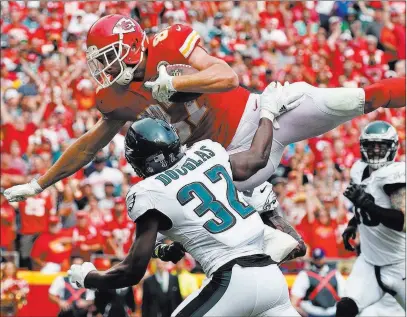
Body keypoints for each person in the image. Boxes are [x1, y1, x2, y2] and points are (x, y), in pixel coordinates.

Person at [4, 14, 405, 199]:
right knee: (182, 203)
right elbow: (89, 146)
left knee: (357, 98)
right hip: (229, 162)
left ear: (129, 46)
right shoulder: (116, 97)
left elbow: (226, 76)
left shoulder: (168, 42)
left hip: (264, 113)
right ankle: (269, 230)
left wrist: (172, 83)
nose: (102, 68)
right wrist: (41, 183)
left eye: (107, 56)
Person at [69, 117, 300, 316]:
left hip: (232, 279)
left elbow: (132, 271)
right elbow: (256, 159)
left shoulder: (149, 191)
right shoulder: (206, 153)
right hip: (271, 277)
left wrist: (89, 278)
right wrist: (268, 112)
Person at [336, 121, 406, 317]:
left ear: (392, 148)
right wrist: (352, 224)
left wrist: (368, 205)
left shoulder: (395, 175)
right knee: (345, 308)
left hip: (400, 263)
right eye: (370, 146)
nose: (375, 151)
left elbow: (403, 222)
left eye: (380, 146)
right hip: (369, 262)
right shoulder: (358, 170)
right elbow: (364, 207)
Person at [290, 248, 346, 317]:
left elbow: (344, 296)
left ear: (324, 258)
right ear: (313, 259)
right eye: (316, 259)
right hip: (312, 312)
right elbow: (294, 299)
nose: (318, 261)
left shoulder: (335, 274)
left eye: (320, 258)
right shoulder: (305, 275)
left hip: (332, 312)